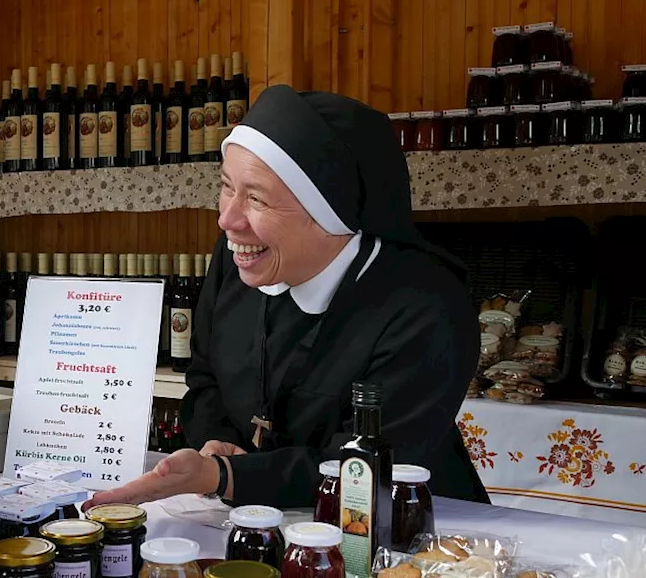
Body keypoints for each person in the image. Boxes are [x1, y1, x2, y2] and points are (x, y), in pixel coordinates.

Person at [87, 86, 488, 510]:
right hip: (257, 518)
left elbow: (366, 467)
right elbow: (206, 378)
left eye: (256, 198)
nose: (227, 219)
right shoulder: (239, 257)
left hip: (403, 529)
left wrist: (228, 477)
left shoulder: (428, 309)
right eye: (227, 187)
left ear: (328, 213)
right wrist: (216, 444)